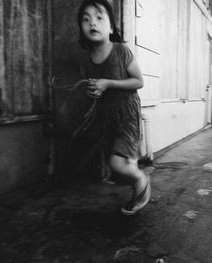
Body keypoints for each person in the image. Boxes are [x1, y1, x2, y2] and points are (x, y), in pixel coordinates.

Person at [76, 0, 151, 215]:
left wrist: (108, 83)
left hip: (127, 114)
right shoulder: (86, 61)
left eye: (99, 18)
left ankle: (142, 182)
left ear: (110, 27)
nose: (92, 22)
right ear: (81, 29)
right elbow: (94, 89)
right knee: (116, 166)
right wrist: (94, 91)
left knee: (118, 163)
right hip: (107, 117)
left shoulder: (120, 51)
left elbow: (139, 81)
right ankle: (138, 189)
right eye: (86, 18)